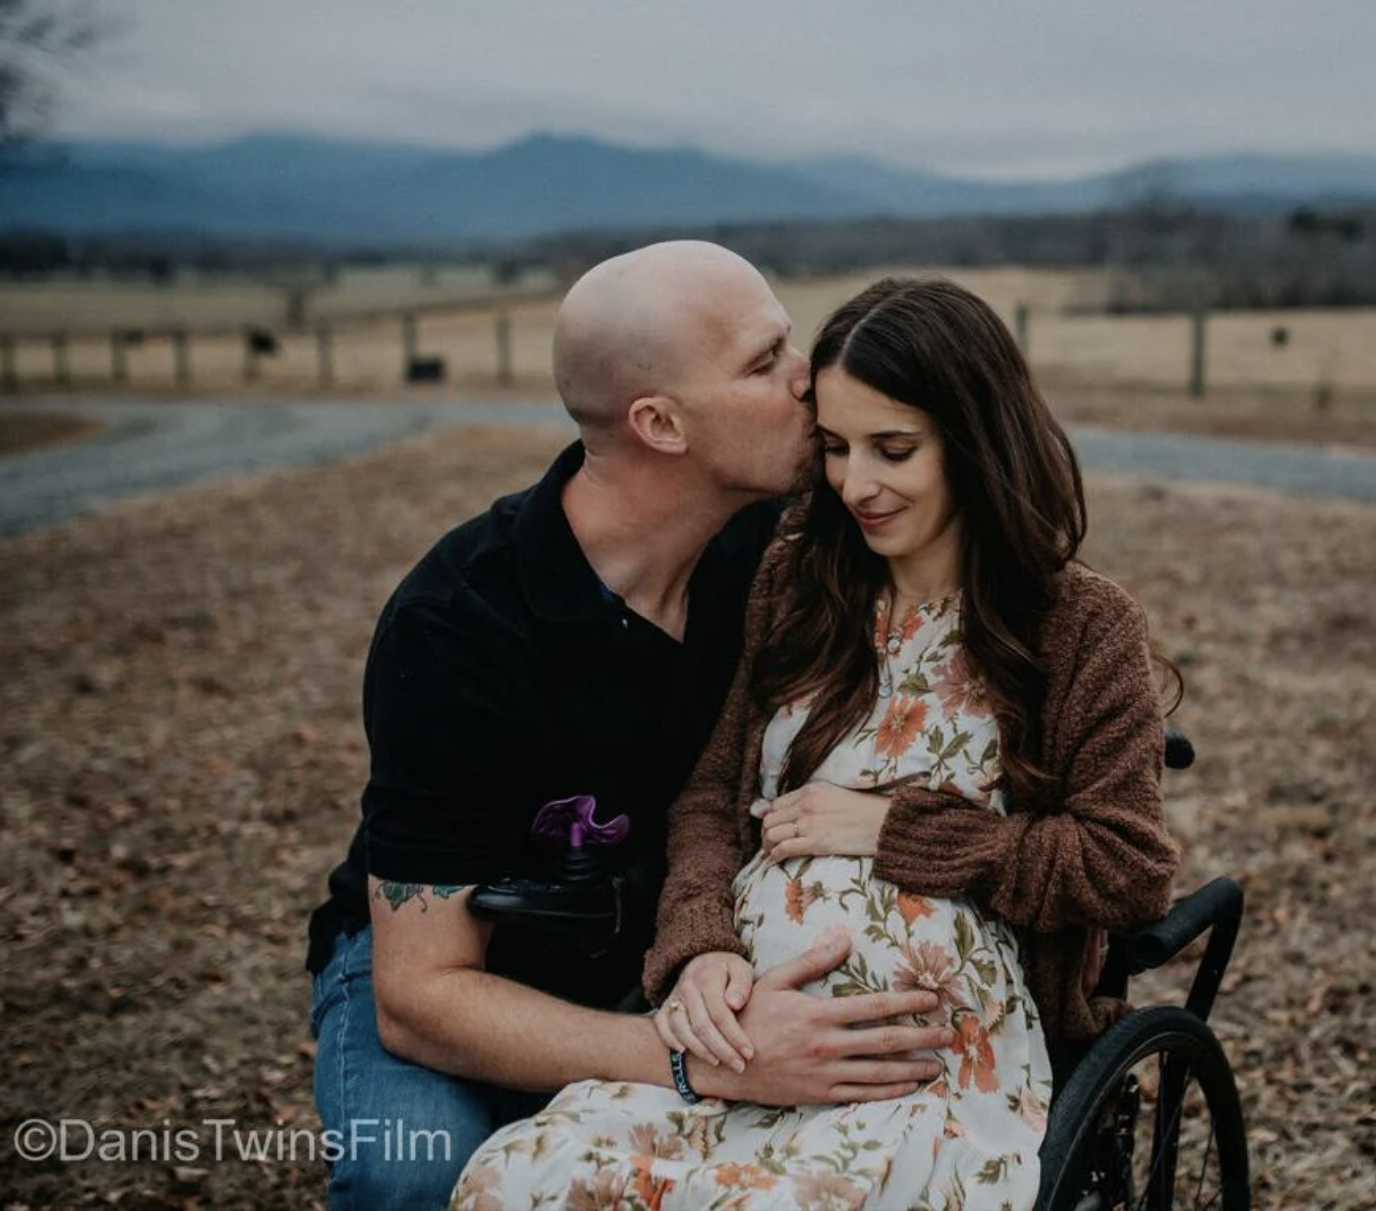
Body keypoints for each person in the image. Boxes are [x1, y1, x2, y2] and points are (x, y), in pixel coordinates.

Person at [452, 276, 1180, 1210]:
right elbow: (712, 798)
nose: (855, 484)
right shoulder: (797, 579)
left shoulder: (1079, 624)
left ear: (977, 439)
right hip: (748, 1029)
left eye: (894, 449)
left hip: (925, 1056)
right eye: (834, 448)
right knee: (518, 1175)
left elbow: (1127, 868)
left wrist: (891, 831)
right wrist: (698, 949)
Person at [304, 243, 952, 1210]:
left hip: (679, 938)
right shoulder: (457, 628)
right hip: (464, 969)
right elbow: (421, 995)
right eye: (764, 361)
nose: (807, 382)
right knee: (418, 1175)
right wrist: (705, 1061)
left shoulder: (783, 542)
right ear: (660, 423)